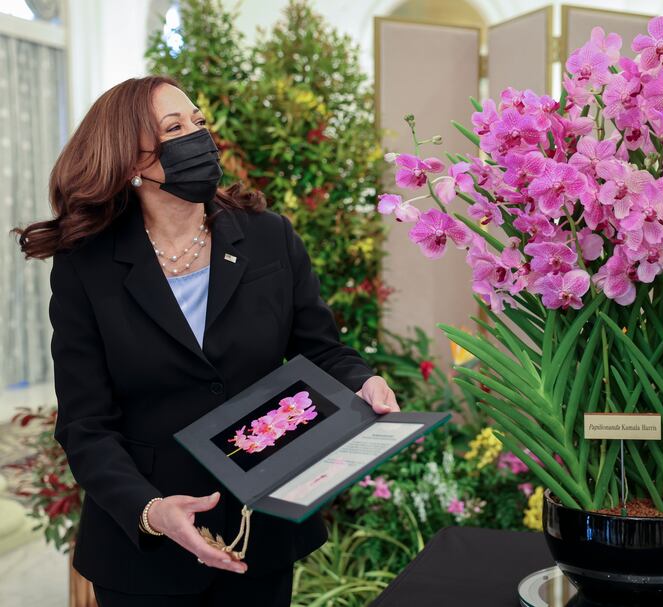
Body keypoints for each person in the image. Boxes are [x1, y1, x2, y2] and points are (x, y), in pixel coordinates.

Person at [12, 75, 400, 606]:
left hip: (258, 532)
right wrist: (151, 512)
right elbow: (85, 426)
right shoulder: (87, 266)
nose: (199, 138)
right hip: (142, 553)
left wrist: (364, 381)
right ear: (131, 161)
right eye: (175, 128)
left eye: (199, 123)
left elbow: (323, 350)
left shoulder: (268, 236)